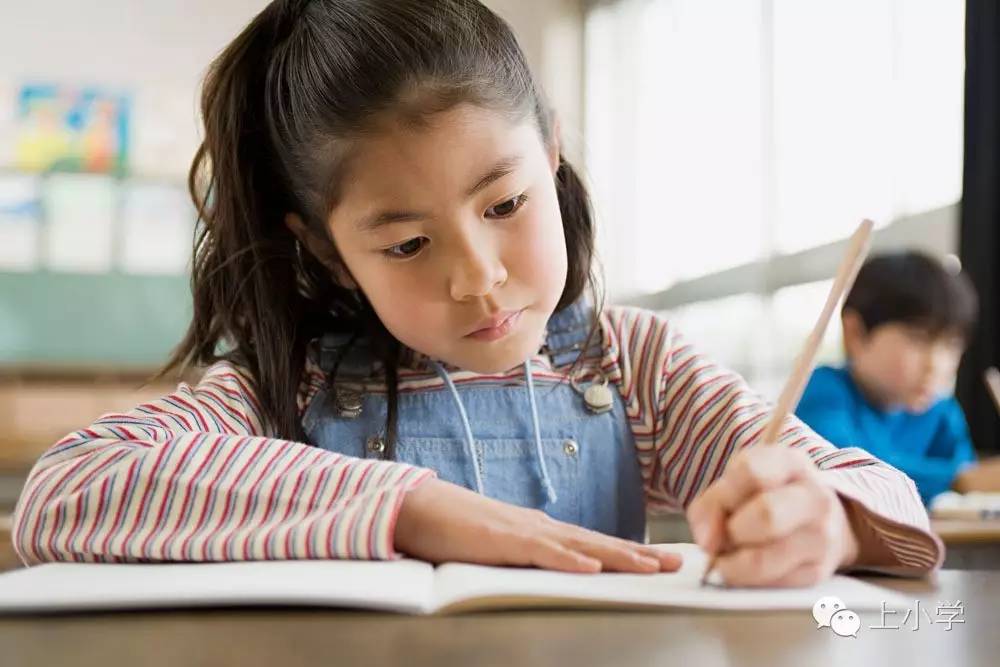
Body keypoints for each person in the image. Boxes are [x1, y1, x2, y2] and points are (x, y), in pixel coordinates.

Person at [12, 0, 940, 586]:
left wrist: (830, 523)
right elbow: (63, 493)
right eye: (407, 242)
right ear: (332, 256)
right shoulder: (284, 386)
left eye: (505, 202)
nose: (478, 275)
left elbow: (881, 496)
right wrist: (409, 507)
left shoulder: (628, 365)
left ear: (553, 150)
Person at [797, 251, 1000, 505]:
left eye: (951, 345)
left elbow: (965, 482)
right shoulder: (825, 390)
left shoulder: (943, 411)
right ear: (855, 334)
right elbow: (839, 466)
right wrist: (959, 481)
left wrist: (968, 480)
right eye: (918, 339)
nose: (936, 365)